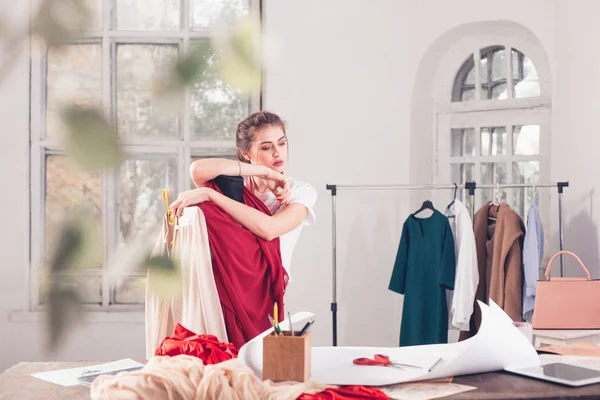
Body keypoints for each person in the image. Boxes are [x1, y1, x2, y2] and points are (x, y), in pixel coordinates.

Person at [169, 110, 317, 280]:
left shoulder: (301, 191)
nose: (277, 152)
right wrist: (263, 171)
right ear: (246, 154)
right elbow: (197, 170)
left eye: (282, 143)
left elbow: (269, 229)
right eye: (266, 147)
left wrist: (210, 194)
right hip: (227, 280)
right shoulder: (235, 186)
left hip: (266, 287)